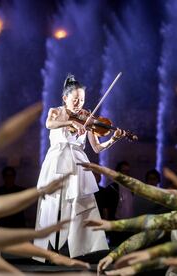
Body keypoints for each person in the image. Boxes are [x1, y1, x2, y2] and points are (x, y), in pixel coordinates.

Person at [34, 74, 126, 260]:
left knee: (76, 204)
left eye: (82, 99)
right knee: (53, 204)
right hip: (56, 162)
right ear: (64, 98)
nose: (79, 103)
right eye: (75, 99)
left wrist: (113, 140)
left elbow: (97, 148)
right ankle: (48, 247)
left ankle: (71, 248)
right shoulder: (55, 112)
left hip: (77, 162)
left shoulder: (87, 118)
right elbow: (49, 124)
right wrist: (70, 121)